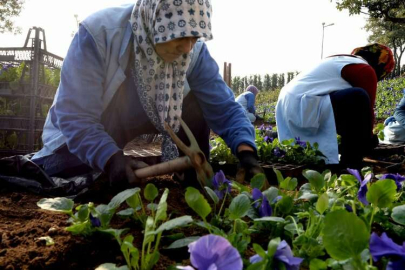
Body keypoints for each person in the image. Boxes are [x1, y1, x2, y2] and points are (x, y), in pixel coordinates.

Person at [31, 0, 264, 188]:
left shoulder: (194, 53)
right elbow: (75, 117)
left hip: (137, 143)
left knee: (195, 102)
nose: (187, 47)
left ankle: (186, 177)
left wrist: (247, 152)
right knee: (82, 171)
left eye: (195, 36)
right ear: (156, 22)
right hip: (83, 141)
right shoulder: (100, 34)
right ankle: (115, 165)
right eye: (180, 35)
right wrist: (110, 158)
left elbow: (223, 107)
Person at [276, 43, 395, 169]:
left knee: (351, 102)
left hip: (287, 103)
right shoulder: (365, 69)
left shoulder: (341, 59)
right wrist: (367, 141)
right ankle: (351, 163)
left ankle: (341, 154)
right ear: (381, 65)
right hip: (304, 104)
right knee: (358, 97)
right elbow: (367, 112)